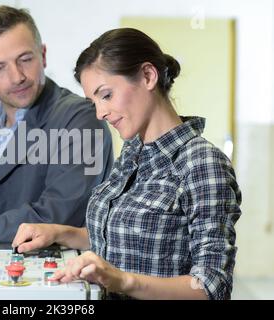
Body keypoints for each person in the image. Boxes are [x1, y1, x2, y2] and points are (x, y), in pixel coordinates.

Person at [12, 28, 242, 300]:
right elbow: (124, 237)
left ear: (148, 76)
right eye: (93, 101)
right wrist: (59, 233)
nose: (100, 112)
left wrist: (122, 281)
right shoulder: (133, 150)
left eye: (106, 95)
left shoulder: (202, 163)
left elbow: (211, 286)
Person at [0, 6, 113, 263]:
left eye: (25, 59)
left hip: (56, 286)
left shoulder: (80, 119)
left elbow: (57, 216)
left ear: (43, 55)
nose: (17, 77)